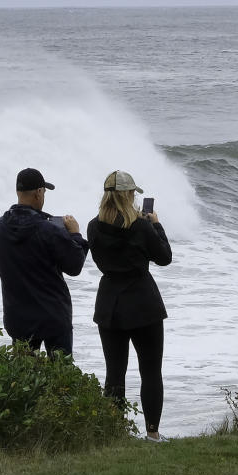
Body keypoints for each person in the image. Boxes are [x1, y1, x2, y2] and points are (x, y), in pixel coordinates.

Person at [87, 170, 173, 442]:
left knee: (114, 372)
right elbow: (164, 257)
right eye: (133, 193)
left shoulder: (92, 227)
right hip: (142, 303)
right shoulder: (141, 226)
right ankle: (152, 434)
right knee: (150, 370)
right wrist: (156, 225)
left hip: (109, 303)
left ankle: (114, 433)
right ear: (128, 195)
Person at [0, 167, 89, 357]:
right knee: (62, 380)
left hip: (17, 315)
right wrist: (75, 235)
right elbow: (75, 266)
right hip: (52, 315)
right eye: (44, 192)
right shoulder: (49, 229)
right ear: (38, 193)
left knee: (23, 379)